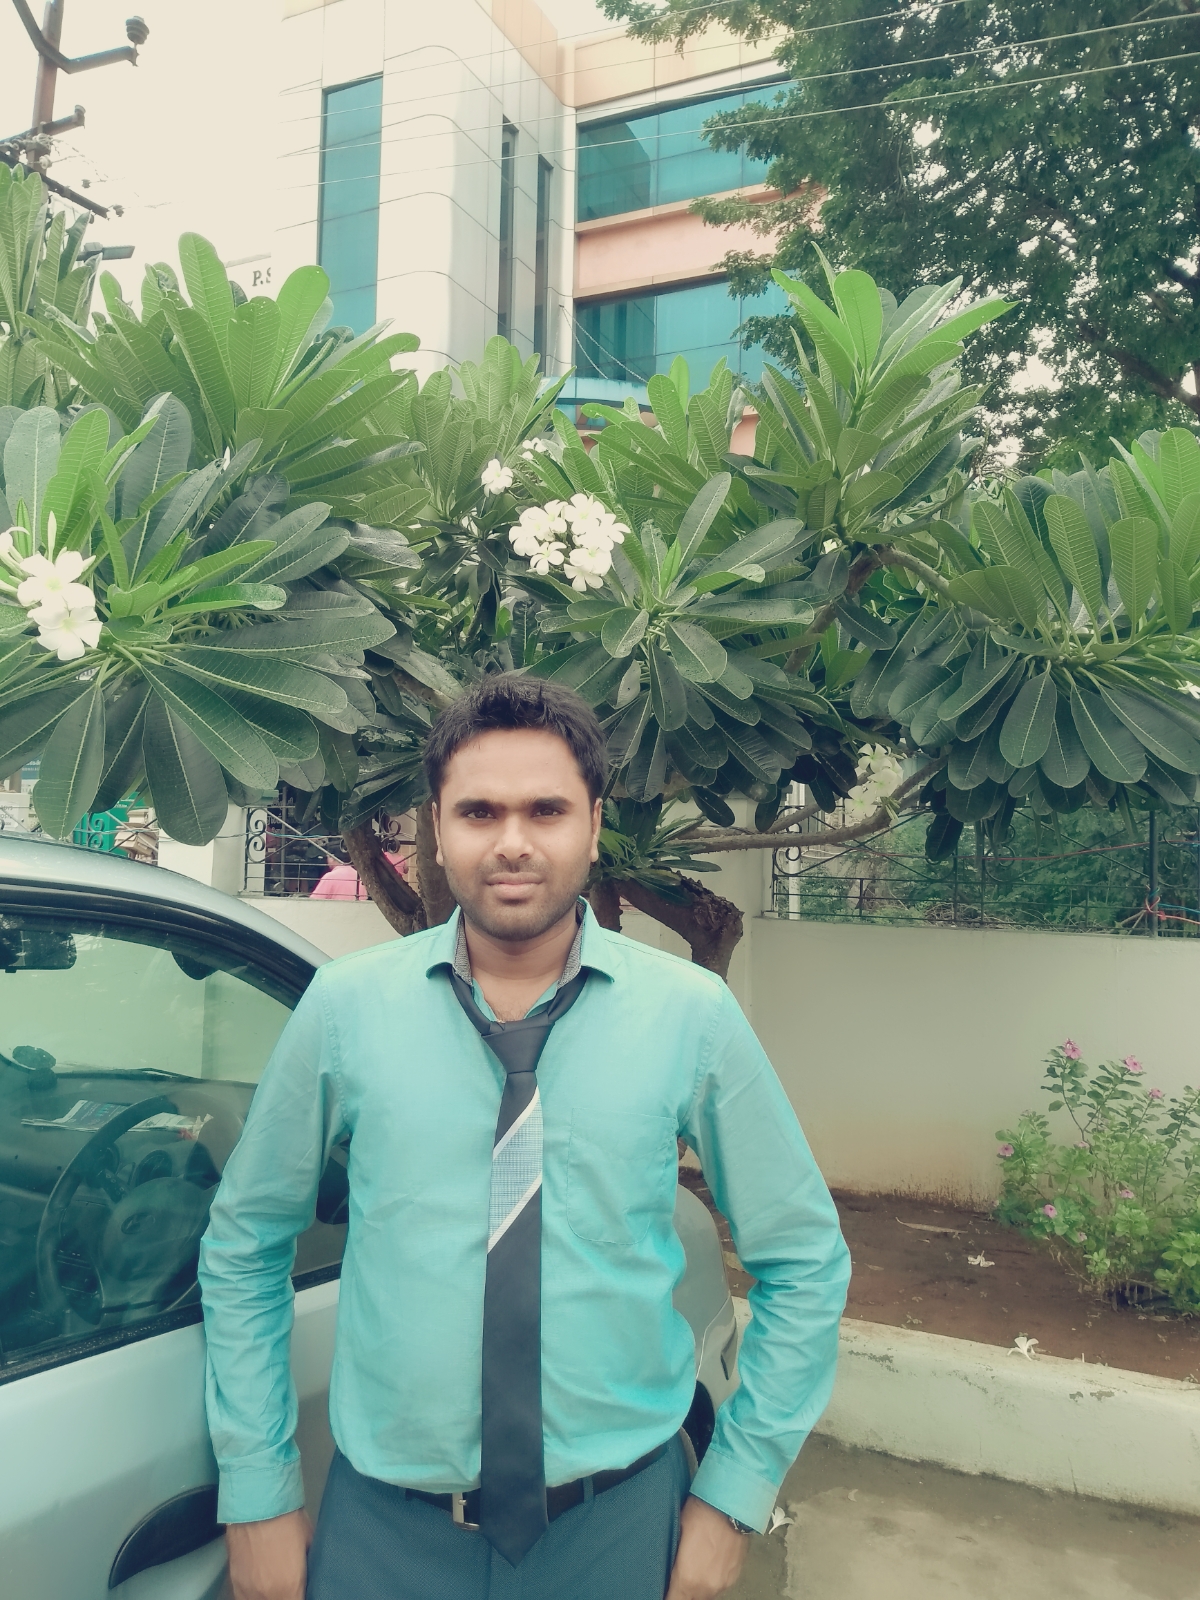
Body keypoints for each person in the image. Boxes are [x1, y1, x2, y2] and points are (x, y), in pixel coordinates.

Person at [198, 674, 850, 1600]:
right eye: (479, 812)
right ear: (436, 828)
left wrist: (733, 1497)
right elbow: (245, 1244)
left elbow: (805, 1260)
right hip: (385, 1533)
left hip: (619, 1529)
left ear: (594, 823)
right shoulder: (345, 1011)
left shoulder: (691, 1017)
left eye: (546, 810)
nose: (512, 842)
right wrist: (257, 1492)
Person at [309, 849, 409, 900]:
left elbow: (315, 900)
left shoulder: (329, 877)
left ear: (332, 858)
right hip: (397, 883)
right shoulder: (359, 876)